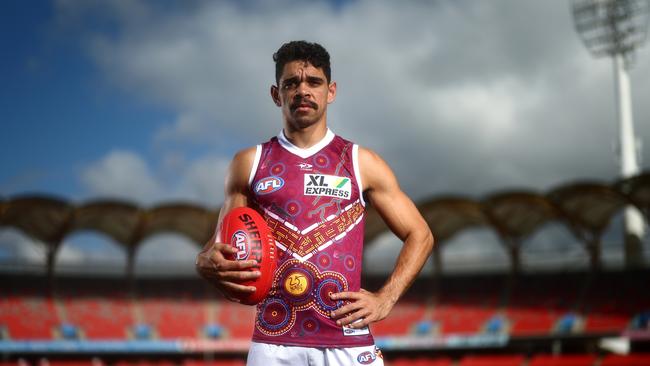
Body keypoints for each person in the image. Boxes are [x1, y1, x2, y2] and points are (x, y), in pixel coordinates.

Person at [196, 40, 434, 366]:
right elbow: (220, 247)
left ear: (331, 91)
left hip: (347, 338)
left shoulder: (361, 162)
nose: (302, 90)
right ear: (275, 94)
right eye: (291, 83)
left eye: (314, 82)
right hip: (273, 342)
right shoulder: (248, 163)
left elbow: (421, 234)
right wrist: (205, 263)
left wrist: (385, 299)